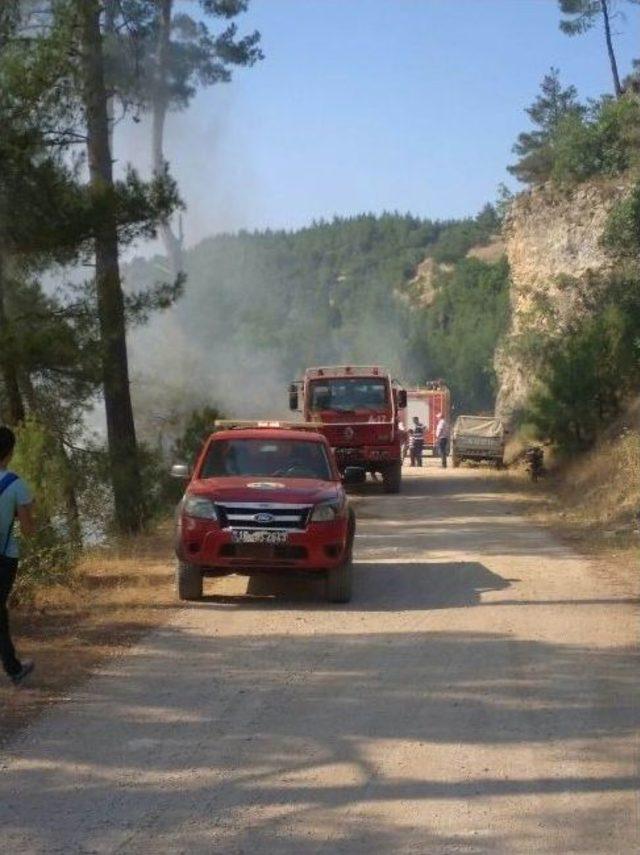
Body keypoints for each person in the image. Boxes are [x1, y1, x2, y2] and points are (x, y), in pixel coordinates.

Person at [0, 426, 35, 686]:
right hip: (4, 557)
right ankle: (13, 669)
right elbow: (27, 529)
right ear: (10, 452)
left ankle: (13, 667)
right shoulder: (15, 484)